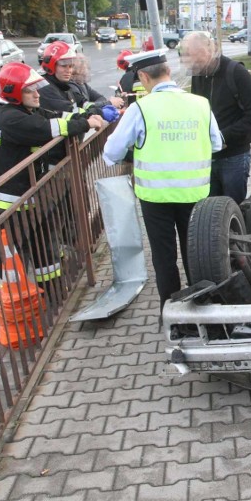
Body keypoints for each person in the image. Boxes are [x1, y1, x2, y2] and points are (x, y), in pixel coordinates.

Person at [103, 49, 223, 310]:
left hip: (155, 197)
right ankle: (201, 307)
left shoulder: (141, 108)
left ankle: (171, 311)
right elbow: (216, 143)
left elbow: (111, 152)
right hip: (194, 194)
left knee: (164, 256)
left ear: (144, 77)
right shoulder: (200, 103)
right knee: (195, 252)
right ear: (168, 72)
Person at [0, 63, 106, 291]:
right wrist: (86, 123)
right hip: (9, 204)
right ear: (14, 93)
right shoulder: (11, 117)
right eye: (29, 90)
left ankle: (52, 296)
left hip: (30, 197)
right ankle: (18, 310)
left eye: (36, 88)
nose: (36, 94)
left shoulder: (26, 109)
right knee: (14, 261)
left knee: (45, 251)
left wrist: (90, 113)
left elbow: (60, 116)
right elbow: (48, 128)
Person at [181, 31, 251, 205]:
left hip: (234, 157)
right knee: (209, 210)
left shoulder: (237, 73)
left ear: (208, 51)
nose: (194, 67)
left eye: (197, 60)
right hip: (207, 157)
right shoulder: (199, 74)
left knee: (232, 209)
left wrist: (222, 136)